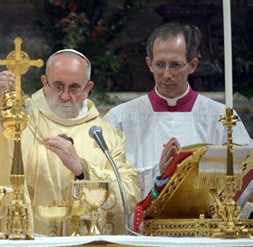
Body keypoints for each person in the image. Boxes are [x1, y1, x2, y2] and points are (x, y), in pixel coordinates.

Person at [0, 49, 141, 235]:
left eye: (74, 88)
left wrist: (82, 170)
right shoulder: (19, 118)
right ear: (44, 83)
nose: (64, 95)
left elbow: (129, 191)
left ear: (88, 89)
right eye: (58, 86)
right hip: (21, 245)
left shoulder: (106, 135)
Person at [103, 22, 252, 199]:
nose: (166, 74)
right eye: (159, 64)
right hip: (140, 225)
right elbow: (108, 180)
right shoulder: (120, 118)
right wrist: (159, 172)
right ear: (149, 64)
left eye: (175, 65)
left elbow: (245, 176)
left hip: (203, 223)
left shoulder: (221, 118)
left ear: (193, 65)